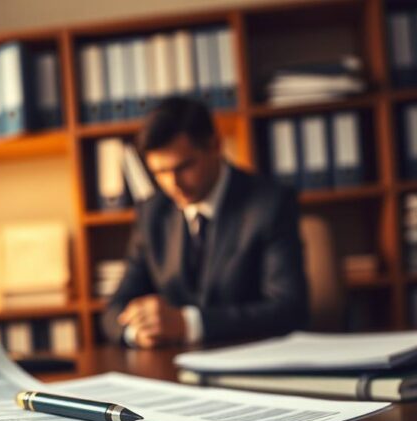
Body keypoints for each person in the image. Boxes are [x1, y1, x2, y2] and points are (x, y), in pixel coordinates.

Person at [101, 97, 309, 348]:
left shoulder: (270, 203)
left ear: (216, 146)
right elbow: (114, 310)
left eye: (184, 166)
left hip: (251, 360)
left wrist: (188, 323)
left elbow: (289, 310)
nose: (172, 184)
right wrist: (137, 331)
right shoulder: (152, 212)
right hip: (172, 365)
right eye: (160, 172)